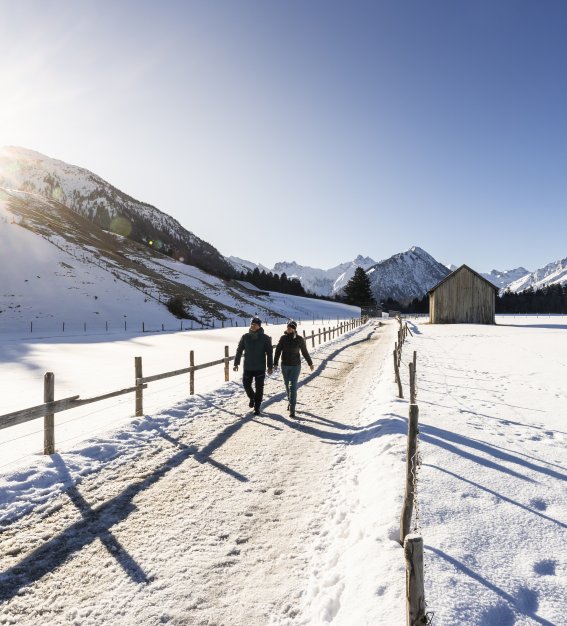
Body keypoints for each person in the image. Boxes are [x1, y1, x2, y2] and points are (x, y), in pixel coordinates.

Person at [273, 320, 314, 418]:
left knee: (293, 386)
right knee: (287, 385)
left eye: (291, 327)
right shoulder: (283, 338)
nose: (289, 328)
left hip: (295, 366)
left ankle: (292, 408)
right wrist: (275, 363)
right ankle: (290, 402)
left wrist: (310, 363)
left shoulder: (299, 339)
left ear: (295, 329)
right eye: (288, 327)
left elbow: (304, 352)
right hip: (285, 366)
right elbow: (278, 351)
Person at [233, 317, 273, 415]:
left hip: (260, 367)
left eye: (255, 324)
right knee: (246, 385)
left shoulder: (265, 338)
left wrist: (270, 366)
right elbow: (239, 350)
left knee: (259, 387)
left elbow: (269, 353)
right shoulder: (245, 337)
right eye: (251, 324)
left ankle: (257, 407)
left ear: (259, 326)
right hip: (248, 367)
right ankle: (252, 397)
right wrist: (236, 363)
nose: (253, 326)